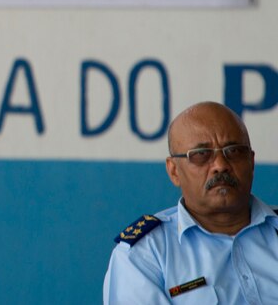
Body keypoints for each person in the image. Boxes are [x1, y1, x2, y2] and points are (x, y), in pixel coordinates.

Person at [103, 101, 278, 304]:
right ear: (174, 171)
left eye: (233, 151)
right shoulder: (146, 253)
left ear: (251, 161)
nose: (220, 166)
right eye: (201, 155)